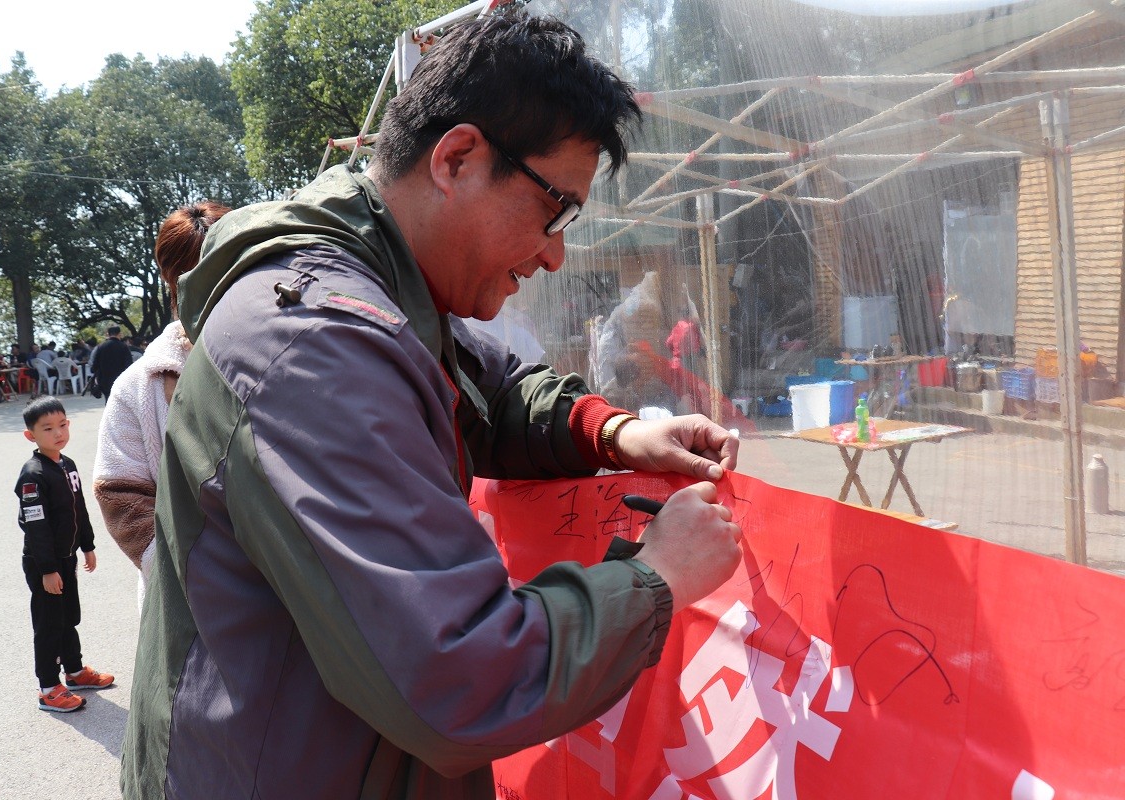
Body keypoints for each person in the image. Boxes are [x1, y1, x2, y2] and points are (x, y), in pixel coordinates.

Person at [123, 12, 744, 799]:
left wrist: (616, 431)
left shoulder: (378, 290)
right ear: (457, 158)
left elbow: (488, 388)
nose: (556, 254)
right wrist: (657, 577)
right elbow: (460, 677)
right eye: (555, 210)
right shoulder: (316, 347)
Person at [94, 201, 231, 612]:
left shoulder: (287, 353)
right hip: (189, 603)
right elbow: (119, 491)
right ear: (174, 283)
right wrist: (183, 568)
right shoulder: (139, 386)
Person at [14, 396, 115, 713]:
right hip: (44, 562)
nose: (58, 433)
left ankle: (74, 671)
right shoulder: (33, 475)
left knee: (68, 617)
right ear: (31, 435)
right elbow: (36, 526)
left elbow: (79, 508)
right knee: (48, 624)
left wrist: (88, 544)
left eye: (62, 425)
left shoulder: (67, 465)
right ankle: (48, 688)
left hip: (66, 557)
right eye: (47, 428)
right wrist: (47, 569)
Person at [88, 326, 133, 401]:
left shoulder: (101, 347)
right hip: (120, 379)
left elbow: (95, 366)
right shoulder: (124, 346)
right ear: (119, 334)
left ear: (108, 334)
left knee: (108, 400)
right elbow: (129, 365)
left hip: (104, 380)